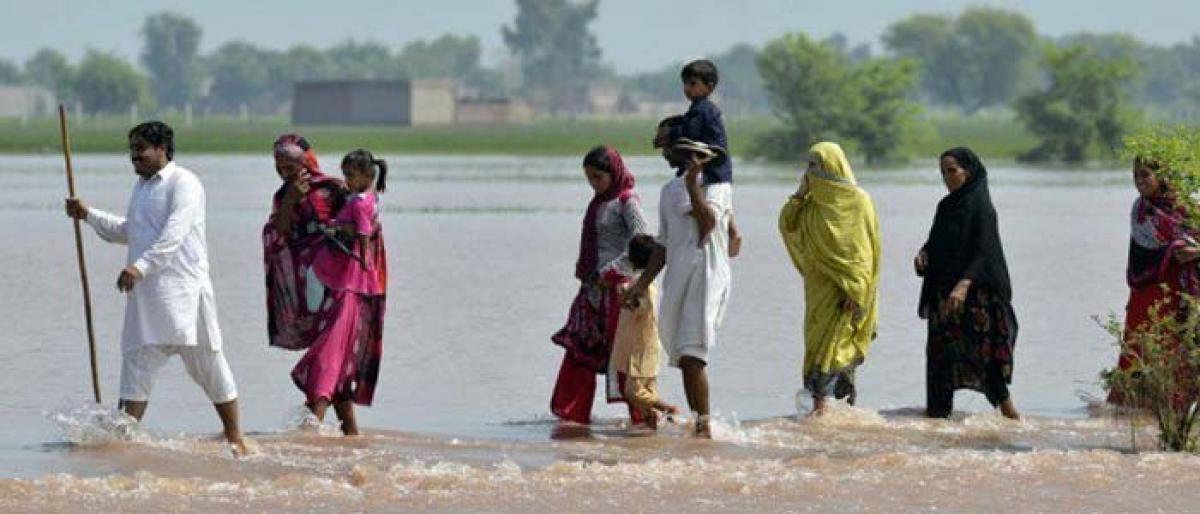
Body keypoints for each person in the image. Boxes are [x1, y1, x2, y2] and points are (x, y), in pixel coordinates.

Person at [64, 121, 246, 454]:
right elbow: (130, 231)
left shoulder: (184, 183)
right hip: (147, 297)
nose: (134, 157)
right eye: (131, 151)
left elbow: (173, 235)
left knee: (210, 366)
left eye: (140, 150)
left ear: (162, 149)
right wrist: (88, 215)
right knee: (135, 365)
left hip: (185, 295)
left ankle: (236, 438)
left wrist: (139, 267)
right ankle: (120, 446)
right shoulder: (143, 188)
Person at [624, 145, 734, 438]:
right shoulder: (669, 190)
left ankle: (705, 426)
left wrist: (692, 185)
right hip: (680, 277)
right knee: (684, 358)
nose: (664, 153)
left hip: (707, 276)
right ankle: (700, 425)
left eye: (669, 146)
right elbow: (663, 243)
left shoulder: (717, 187)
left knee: (692, 353)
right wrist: (641, 283)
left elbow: (708, 224)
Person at [915, 147, 1020, 420]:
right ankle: (936, 418)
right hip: (943, 294)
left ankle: (1011, 416)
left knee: (982, 356)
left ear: (968, 171)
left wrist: (963, 286)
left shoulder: (981, 207)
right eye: (943, 173)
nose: (947, 178)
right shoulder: (945, 206)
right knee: (939, 357)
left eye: (952, 171)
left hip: (974, 297)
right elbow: (937, 241)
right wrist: (924, 254)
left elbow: (985, 250)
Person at [778, 142, 881, 415]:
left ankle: (824, 412)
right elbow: (786, 223)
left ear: (833, 166)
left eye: (816, 165)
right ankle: (832, 419)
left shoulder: (858, 201)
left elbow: (863, 251)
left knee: (838, 347)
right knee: (816, 344)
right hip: (818, 291)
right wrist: (799, 194)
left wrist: (856, 290)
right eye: (808, 165)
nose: (810, 171)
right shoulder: (810, 205)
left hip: (846, 291)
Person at [291, 149, 389, 435]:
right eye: (344, 175)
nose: (345, 181)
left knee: (328, 355)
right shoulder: (368, 199)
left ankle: (311, 429)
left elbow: (361, 233)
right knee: (338, 354)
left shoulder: (358, 203)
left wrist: (355, 247)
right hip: (350, 283)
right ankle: (350, 435)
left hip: (345, 282)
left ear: (366, 176)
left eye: (350, 176)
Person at [551, 145, 649, 425]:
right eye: (589, 178)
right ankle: (572, 416)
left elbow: (642, 242)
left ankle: (643, 417)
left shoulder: (626, 202)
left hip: (617, 292)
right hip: (592, 291)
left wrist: (613, 271)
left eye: (598, 177)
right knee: (579, 350)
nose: (593, 184)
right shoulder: (599, 202)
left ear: (613, 173)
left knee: (623, 356)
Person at [1109, 156, 1200, 405]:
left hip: (1176, 291)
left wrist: (1195, 251)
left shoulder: (1185, 207)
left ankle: (1174, 407)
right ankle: (1133, 407)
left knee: (1174, 345)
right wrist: (1173, 250)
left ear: (1162, 175)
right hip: (1145, 289)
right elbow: (1143, 251)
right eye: (1136, 175)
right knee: (1138, 347)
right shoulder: (1139, 209)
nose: (1140, 181)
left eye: (1146, 175)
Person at [609, 235, 680, 429]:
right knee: (647, 392)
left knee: (633, 392)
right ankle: (652, 435)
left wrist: (623, 294)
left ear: (632, 259)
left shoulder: (642, 284)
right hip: (639, 345)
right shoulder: (640, 282)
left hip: (642, 347)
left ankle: (669, 409)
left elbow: (639, 307)